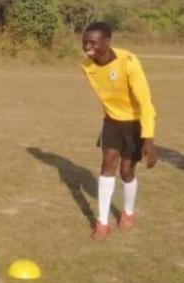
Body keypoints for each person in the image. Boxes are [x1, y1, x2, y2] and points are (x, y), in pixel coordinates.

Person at [81, 22, 157, 240]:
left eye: (93, 42)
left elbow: (145, 102)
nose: (88, 47)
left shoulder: (129, 62)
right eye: (85, 41)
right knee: (107, 165)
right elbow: (105, 95)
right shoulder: (87, 65)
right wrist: (110, 116)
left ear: (107, 42)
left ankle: (128, 213)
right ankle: (102, 223)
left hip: (135, 122)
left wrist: (148, 140)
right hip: (112, 121)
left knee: (126, 172)